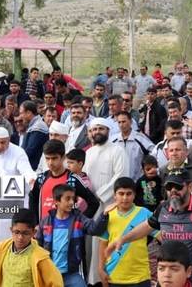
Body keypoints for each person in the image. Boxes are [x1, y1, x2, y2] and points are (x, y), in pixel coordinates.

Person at [105, 167, 192, 287]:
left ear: (190, 187)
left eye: (178, 186)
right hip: (169, 276)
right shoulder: (163, 208)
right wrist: (123, 239)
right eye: (169, 187)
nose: (173, 191)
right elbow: (147, 226)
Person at [83, 117, 128, 286]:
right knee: (91, 244)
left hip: (110, 204)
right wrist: (88, 197)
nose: (97, 132)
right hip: (91, 205)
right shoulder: (88, 153)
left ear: (108, 131)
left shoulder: (117, 151)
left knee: (106, 242)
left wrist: (100, 195)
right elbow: (83, 177)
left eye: (101, 129)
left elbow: (122, 176)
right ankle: (92, 280)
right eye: (94, 129)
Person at [37, 184, 110, 287]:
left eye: (73, 199)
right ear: (56, 201)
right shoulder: (45, 221)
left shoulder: (79, 218)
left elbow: (95, 230)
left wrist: (104, 215)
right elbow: (38, 247)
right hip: (50, 274)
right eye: (67, 199)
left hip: (72, 274)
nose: (72, 202)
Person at [0, 126, 36, 247]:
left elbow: (26, 170)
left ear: (9, 140)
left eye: (3, 142)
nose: (0, 146)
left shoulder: (18, 152)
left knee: (18, 229)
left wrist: (30, 178)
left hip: (17, 198)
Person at [98, 178, 156, 287]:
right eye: (121, 194)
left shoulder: (145, 213)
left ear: (134, 195)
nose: (125, 198)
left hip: (140, 277)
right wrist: (101, 269)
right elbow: (103, 244)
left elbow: (163, 236)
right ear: (114, 196)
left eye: (129, 194)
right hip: (113, 276)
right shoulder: (108, 215)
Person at [29, 139, 100, 223]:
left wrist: (79, 223)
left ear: (63, 158)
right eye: (47, 158)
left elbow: (94, 203)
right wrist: (36, 223)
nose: (50, 162)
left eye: (54, 158)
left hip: (67, 230)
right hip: (44, 230)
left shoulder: (72, 179)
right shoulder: (42, 178)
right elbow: (33, 199)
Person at [111, 110, 154, 181]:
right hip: (119, 182)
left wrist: (147, 169)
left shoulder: (140, 138)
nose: (121, 125)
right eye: (119, 122)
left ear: (130, 122)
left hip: (140, 181)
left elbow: (154, 152)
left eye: (124, 122)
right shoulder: (113, 140)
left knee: (145, 188)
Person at [19, 100, 49, 170]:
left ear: (29, 113)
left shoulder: (38, 127)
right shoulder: (33, 125)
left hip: (35, 169)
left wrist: (18, 160)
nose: (20, 116)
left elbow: (30, 150)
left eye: (21, 113)